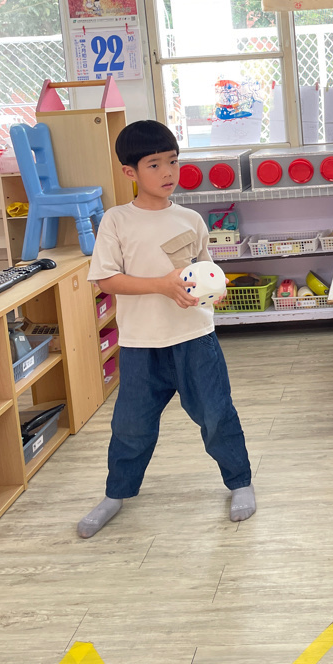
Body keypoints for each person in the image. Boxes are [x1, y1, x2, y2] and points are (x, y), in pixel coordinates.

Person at [77, 120, 255, 538]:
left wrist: (217, 291)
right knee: (131, 426)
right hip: (140, 344)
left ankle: (241, 482)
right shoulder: (116, 221)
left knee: (216, 414)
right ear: (130, 172)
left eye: (172, 161)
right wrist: (161, 285)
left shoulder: (191, 219)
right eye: (154, 165)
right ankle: (116, 494)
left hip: (195, 339)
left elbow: (206, 269)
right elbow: (106, 280)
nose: (167, 172)